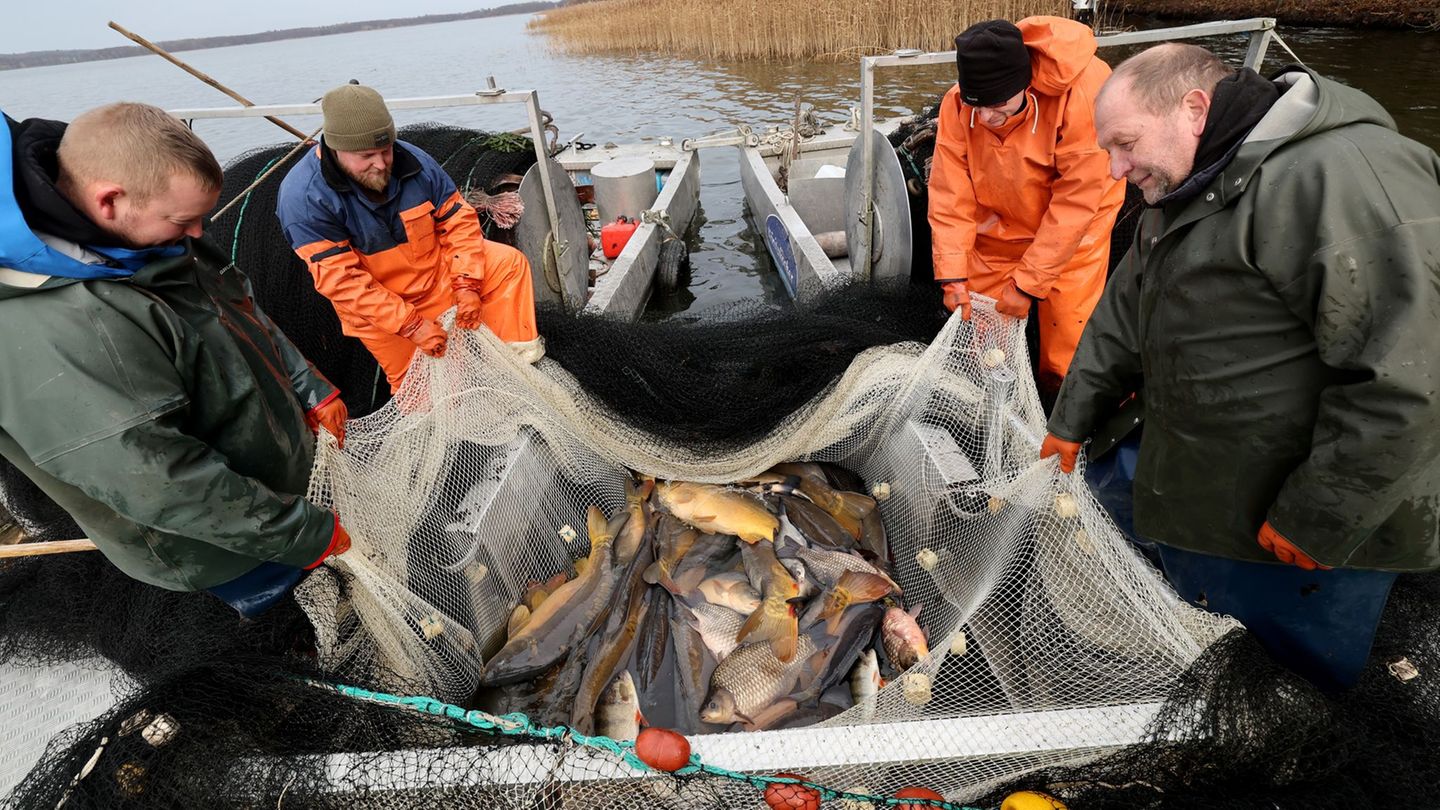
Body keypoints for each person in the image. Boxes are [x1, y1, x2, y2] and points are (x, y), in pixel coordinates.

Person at [1041, 43, 1440, 691]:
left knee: (1289, 691)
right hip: (1191, 484)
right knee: (1197, 655)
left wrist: (1320, 516)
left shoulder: (1346, 176)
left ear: (1194, 108)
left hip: (1296, 530)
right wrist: (1071, 417)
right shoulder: (1185, 180)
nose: (1115, 169)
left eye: (1124, 142)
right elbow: (1122, 314)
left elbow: (1412, 378)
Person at [0, 102, 353, 616]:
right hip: (217, 547)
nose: (196, 235)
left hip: (281, 495)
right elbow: (155, 479)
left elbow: (236, 304)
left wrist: (309, 386)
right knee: (277, 628)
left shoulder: (143, 236)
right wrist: (300, 532)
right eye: (183, 221)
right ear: (109, 200)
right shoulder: (57, 322)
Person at [276, 83, 543, 394]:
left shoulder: (412, 159)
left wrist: (467, 284)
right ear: (336, 149)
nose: (381, 163)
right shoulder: (303, 198)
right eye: (366, 156)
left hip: (436, 275)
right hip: (381, 309)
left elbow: (458, 219)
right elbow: (343, 282)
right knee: (424, 391)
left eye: (385, 150)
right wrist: (412, 325)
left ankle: (515, 374)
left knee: (507, 264)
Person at [929, 16, 1124, 401]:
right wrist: (952, 275)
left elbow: (1076, 202)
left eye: (998, 106)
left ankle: (1067, 415)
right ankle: (990, 404)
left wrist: (1027, 284)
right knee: (983, 336)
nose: (985, 118)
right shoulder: (959, 103)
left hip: (1076, 233)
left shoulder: (1082, 95)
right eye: (976, 106)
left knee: (1069, 342)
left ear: (1025, 83)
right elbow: (950, 194)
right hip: (1001, 224)